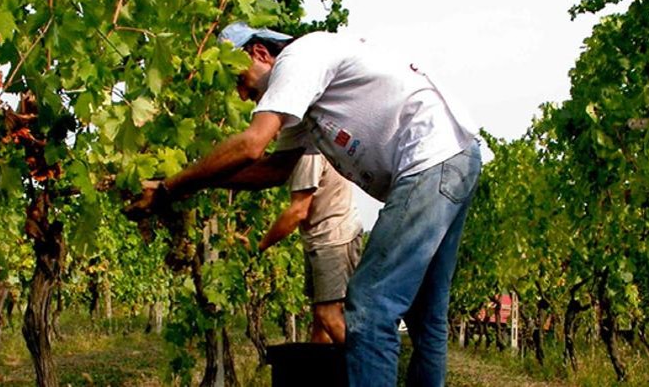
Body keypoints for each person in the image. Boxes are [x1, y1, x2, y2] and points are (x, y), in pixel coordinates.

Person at [129, 22, 482, 386]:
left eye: (238, 78)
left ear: (260, 53)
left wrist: (171, 187)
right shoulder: (307, 104)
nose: (240, 94)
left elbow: (252, 144)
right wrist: (198, 182)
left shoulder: (297, 59)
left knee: (370, 302)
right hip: (453, 156)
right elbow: (273, 170)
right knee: (427, 314)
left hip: (429, 158)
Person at [257, 152, 362, 344]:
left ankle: (370, 371)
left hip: (334, 239)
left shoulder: (309, 152)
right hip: (320, 239)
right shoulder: (309, 143)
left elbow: (297, 211)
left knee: (328, 315)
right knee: (320, 324)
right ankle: (318, 374)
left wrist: (259, 246)